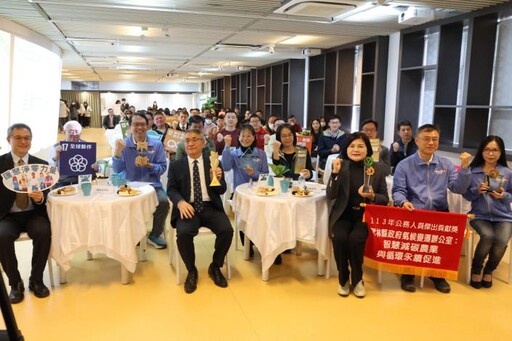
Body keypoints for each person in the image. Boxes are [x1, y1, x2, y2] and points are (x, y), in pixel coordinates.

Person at [392, 124, 468, 294]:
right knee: (411, 246)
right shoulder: (404, 165)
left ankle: (437, 275)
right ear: (417, 141)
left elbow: (458, 188)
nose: (431, 143)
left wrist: (464, 169)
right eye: (426, 139)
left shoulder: (446, 164)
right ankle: (408, 274)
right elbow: (398, 191)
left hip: (439, 211)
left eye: (435, 139)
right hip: (414, 212)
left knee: (439, 247)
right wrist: (403, 202)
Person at [167, 128, 233, 294]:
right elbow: (171, 189)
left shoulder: (213, 162)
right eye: (187, 140)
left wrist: (215, 180)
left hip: (210, 206)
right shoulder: (176, 165)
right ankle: (191, 270)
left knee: (227, 230)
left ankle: (215, 266)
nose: (190, 143)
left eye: (195, 139)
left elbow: (222, 190)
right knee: (183, 234)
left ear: (203, 143)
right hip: (188, 207)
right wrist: (180, 202)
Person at [326, 132, 389, 298]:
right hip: (342, 215)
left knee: (355, 240)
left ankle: (358, 278)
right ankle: (343, 278)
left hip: (364, 217)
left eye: (360, 146)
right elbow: (330, 195)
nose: (356, 149)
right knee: (339, 238)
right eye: (352, 146)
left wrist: (372, 196)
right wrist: (334, 173)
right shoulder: (340, 165)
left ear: (367, 149)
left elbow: (385, 198)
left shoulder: (376, 168)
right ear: (346, 149)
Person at [0, 123, 52, 303]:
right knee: (2, 235)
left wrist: (39, 198)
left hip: (33, 213)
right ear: (9, 140)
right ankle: (15, 284)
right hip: (7, 215)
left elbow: (46, 195)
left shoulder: (41, 165)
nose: (23, 141)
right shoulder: (0, 164)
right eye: (18, 138)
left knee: (44, 231)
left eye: (27, 138)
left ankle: (36, 280)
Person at [457, 136, 512, 289]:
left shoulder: (507, 172)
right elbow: (466, 194)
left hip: (504, 216)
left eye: (495, 150)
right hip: (479, 216)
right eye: (487, 149)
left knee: (501, 240)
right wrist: (476, 191)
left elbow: (511, 195)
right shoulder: (473, 172)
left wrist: (504, 196)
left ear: (501, 152)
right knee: (488, 236)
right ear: (482, 151)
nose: (491, 153)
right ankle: (476, 269)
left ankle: (489, 270)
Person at [112, 113, 169, 249]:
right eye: (136, 124)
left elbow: (162, 167)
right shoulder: (124, 144)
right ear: (130, 127)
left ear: (147, 125)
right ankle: (133, 233)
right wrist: (118, 153)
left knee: (163, 202)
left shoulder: (156, 145)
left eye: (142, 124)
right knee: (124, 204)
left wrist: (149, 165)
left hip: (153, 185)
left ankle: (154, 235)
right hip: (130, 185)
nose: (139, 127)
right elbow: (117, 170)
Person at [49, 120, 97, 187]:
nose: (74, 134)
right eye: (71, 131)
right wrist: (56, 156)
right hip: (64, 181)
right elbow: (51, 169)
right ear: (64, 132)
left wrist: (96, 167)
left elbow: (96, 167)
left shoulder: (87, 146)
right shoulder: (57, 147)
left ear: (80, 133)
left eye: (76, 131)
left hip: (84, 180)